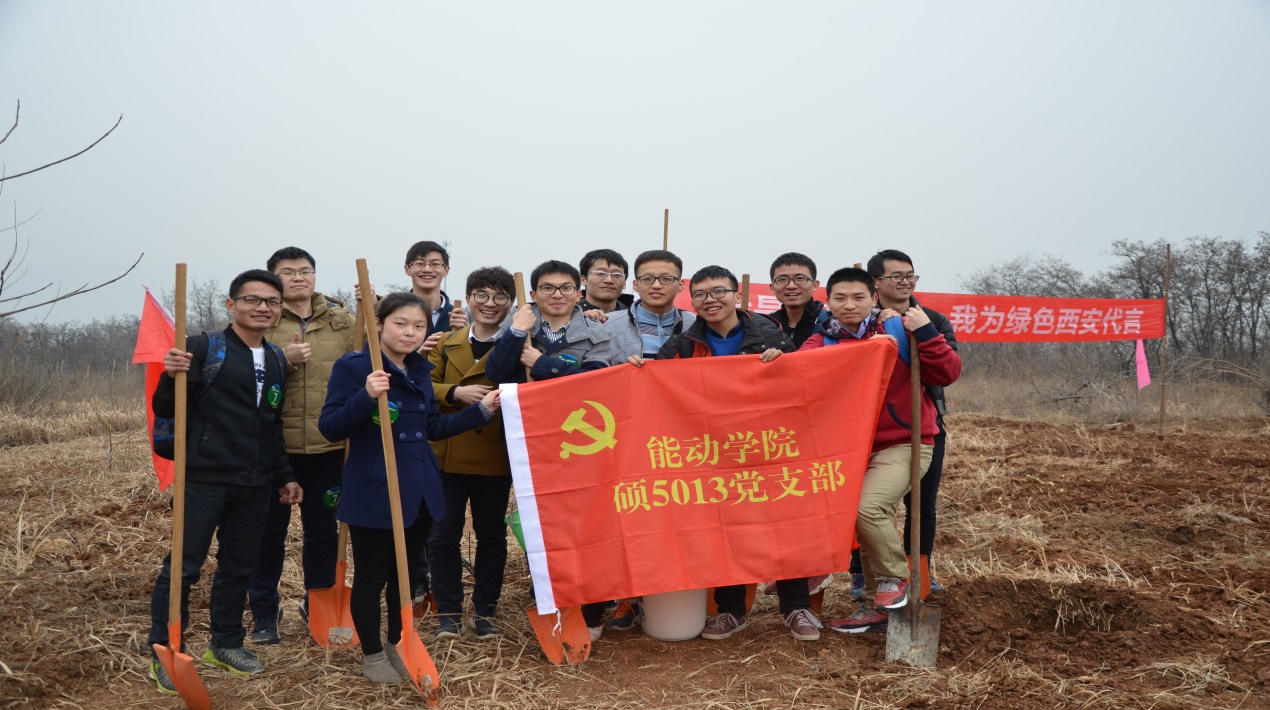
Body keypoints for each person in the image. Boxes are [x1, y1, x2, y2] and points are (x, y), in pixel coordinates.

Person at [318, 292, 501, 685]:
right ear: (378, 324)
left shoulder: (419, 368)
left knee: (402, 578)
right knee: (371, 578)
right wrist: (366, 395)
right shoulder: (355, 366)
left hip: (419, 490)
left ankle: (395, 643)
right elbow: (331, 428)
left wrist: (481, 412)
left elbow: (432, 426)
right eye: (400, 323)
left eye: (419, 325)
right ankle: (372, 655)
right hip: (376, 488)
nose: (410, 332)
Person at [146, 270, 302, 695]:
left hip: (256, 482)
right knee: (183, 567)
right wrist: (170, 374)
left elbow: (271, 424)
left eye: (271, 301)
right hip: (204, 477)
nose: (263, 307)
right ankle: (165, 649)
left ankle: (226, 642)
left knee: (239, 566)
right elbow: (167, 407)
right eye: (252, 299)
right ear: (231, 304)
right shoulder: (203, 347)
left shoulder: (275, 358)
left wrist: (284, 475)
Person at [651, 266, 823, 643]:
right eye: (700, 295)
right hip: (711, 452)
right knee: (722, 530)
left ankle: (795, 607)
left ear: (737, 295)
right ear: (692, 301)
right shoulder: (684, 343)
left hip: (768, 448)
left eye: (719, 292)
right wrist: (637, 370)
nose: (710, 300)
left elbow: (802, 385)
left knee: (783, 526)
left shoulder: (769, 334)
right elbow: (654, 383)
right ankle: (731, 611)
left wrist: (785, 364)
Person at [796, 267, 961, 634]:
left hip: (905, 441)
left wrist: (926, 332)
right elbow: (796, 378)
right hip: (849, 448)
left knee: (868, 508)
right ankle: (878, 607)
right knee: (862, 518)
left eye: (858, 297)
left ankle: (895, 578)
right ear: (827, 302)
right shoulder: (821, 340)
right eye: (840, 298)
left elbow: (947, 373)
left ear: (873, 298)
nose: (849, 305)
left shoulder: (899, 329)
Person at [484, 259, 612, 640]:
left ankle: (592, 605)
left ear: (578, 292)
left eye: (565, 287)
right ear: (534, 293)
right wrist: (515, 334)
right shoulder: (518, 327)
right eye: (547, 288)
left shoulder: (596, 331)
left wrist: (543, 364)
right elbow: (495, 372)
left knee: (586, 520)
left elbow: (595, 381)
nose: (557, 295)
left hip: (582, 441)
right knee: (539, 520)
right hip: (530, 440)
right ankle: (550, 593)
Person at [247, 247, 356, 645]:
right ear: (273, 279)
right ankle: (264, 610)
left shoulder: (342, 322)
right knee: (267, 534)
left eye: (305, 271)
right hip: (276, 450)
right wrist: (283, 358)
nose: (298, 278)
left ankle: (319, 603)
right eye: (288, 272)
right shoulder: (262, 321)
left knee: (323, 531)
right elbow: (241, 376)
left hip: (330, 447)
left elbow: (366, 363)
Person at [593, 249, 694, 632]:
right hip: (626, 439)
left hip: (682, 441)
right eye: (648, 278)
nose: (656, 285)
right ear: (634, 284)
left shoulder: (696, 323)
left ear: (680, 284)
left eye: (666, 278)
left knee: (674, 519)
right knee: (627, 517)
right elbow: (592, 373)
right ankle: (626, 597)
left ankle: (667, 595)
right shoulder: (608, 324)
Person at [427, 267, 517, 642]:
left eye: (499, 297)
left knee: (491, 536)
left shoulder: (517, 344)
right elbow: (423, 385)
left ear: (510, 303)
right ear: (468, 299)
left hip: (494, 455)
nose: (490, 304)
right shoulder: (444, 342)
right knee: (442, 537)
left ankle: (485, 611)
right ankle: (448, 612)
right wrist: (455, 393)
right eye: (481, 295)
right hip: (446, 454)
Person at [867, 249, 958, 594]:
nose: (905, 282)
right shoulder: (863, 320)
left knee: (922, 504)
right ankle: (871, 578)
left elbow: (946, 373)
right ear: (876, 282)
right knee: (875, 507)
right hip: (870, 430)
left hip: (923, 425)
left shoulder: (931, 319)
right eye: (896, 276)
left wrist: (926, 332)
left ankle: (921, 572)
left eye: (910, 275)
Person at [403, 240, 468, 602]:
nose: (427, 269)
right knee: (411, 504)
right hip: (405, 419)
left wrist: (465, 329)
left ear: (446, 270)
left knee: (438, 507)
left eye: (435, 263)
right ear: (407, 269)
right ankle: (414, 578)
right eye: (419, 263)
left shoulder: (461, 313)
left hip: (446, 422)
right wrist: (416, 350)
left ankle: (435, 576)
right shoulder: (394, 310)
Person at [765, 252, 827, 348]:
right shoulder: (765, 325)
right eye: (782, 279)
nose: (791, 286)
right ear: (772, 287)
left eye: (800, 278)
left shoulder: (831, 324)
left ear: (815, 285)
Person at [577, 248, 634, 314]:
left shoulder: (634, 315)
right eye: (600, 273)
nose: (609, 280)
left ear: (625, 282)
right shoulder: (570, 314)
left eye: (616, 274)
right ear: (583, 279)